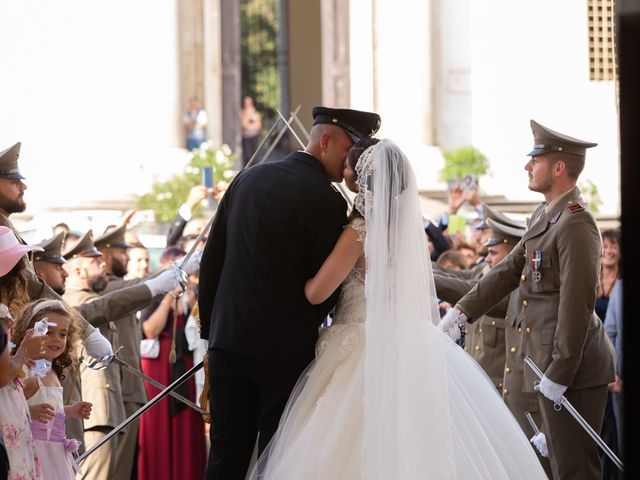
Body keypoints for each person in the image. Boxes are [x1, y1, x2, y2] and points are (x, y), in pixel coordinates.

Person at [250, 138, 546, 479]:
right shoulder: (400, 231)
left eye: (350, 165)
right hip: (404, 340)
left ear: (361, 178)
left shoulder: (359, 230)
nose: (344, 169)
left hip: (358, 345)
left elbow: (317, 293)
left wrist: (290, 270)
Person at [198, 105, 381, 479]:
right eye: (349, 152)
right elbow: (325, 288)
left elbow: (211, 261)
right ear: (326, 140)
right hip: (285, 351)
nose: (351, 165)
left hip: (227, 343)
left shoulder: (245, 179)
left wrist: (209, 339)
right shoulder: (329, 202)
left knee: (224, 457)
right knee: (277, 457)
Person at [438, 119, 616, 480]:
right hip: (549, 365)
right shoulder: (544, 215)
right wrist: (462, 312)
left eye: (535, 159)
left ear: (559, 167)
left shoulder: (576, 224)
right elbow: (507, 272)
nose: (527, 166)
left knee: (574, 470)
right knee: (553, 468)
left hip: (574, 371)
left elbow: (577, 305)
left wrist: (561, 371)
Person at [137, 246, 206, 480]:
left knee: (186, 428)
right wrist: (169, 297)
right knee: (158, 427)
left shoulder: (196, 293)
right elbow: (149, 330)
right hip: (159, 368)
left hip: (188, 364)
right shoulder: (155, 293)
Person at [16, 299, 93, 479]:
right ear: (29, 331)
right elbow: (10, 407)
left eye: (63, 334)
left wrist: (68, 411)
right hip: (34, 452)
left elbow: (49, 410)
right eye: (49, 332)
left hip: (56, 454)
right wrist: (29, 412)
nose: (57, 339)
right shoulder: (24, 371)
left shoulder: (51, 370)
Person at [240, 96, 262, 167]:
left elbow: (258, 125)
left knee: (254, 155)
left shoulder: (255, 113)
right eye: (246, 103)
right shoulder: (242, 112)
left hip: (254, 136)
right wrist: (247, 115)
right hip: (246, 137)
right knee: (247, 155)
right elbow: (244, 124)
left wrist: (250, 124)